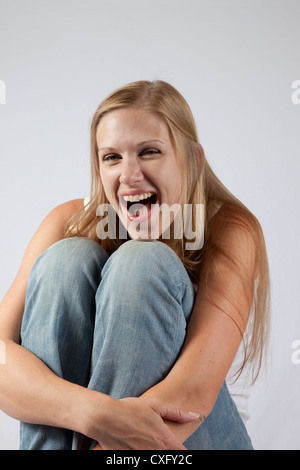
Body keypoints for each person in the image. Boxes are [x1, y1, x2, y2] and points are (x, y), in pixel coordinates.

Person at [0, 80, 270, 450]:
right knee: (65, 259)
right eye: (112, 157)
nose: (129, 176)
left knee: (141, 264)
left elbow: (193, 392)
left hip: (186, 441)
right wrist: (94, 414)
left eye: (149, 152)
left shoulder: (229, 229)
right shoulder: (68, 223)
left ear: (192, 159)